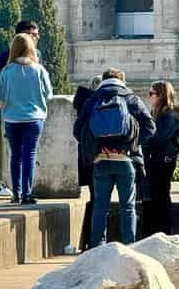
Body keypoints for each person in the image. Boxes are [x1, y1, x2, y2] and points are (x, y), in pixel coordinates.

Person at [74, 68, 155, 247]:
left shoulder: (92, 99)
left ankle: (98, 246)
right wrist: (130, 144)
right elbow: (150, 127)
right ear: (122, 81)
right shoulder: (131, 98)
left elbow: (77, 131)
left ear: (103, 80)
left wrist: (96, 149)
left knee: (100, 208)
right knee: (128, 206)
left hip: (101, 161)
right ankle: (129, 245)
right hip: (125, 161)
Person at [0, 33, 53, 204]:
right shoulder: (39, 70)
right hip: (34, 119)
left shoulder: (6, 71)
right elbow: (48, 94)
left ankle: (16, 193)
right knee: (29, 155)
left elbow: (0, 96)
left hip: (12, 119)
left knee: (16, 156)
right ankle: (27, 193)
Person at [0, 20, 40, 197]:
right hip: (27, 114)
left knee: (17, 154)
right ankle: (22, 191)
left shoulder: (35, 55)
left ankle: (19, 192)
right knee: (23, 154)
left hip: (14, 113)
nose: (37, 37)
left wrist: (1, 95)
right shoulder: (9, 56)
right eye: (33, 34)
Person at [142, 80, 179, 236]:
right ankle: (157, 231)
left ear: (161, 95)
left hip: (163, 162)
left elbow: (159, 138)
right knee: (156, 198)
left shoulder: (169, 115)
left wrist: (144, 141)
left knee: (161, 197)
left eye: (152, 94)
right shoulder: (159, 114)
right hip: (157, 160)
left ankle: (164, 231)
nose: (150, 97)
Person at [73, 75, 100, 251]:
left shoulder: (83, 103)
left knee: (94, 197)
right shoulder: (97, 103)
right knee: (99, 200)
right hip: (100, 157)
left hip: (85, 156)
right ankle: (95, 240)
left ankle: (87, 241)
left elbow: (77, 131)